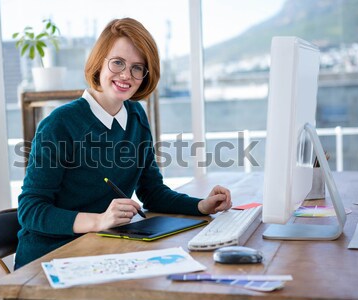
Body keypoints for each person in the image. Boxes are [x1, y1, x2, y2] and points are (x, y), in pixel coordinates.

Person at [15, 18, 232, 269]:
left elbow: (153, 192)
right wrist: (99, 221)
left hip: (102, 249)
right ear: (99, 63)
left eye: (137, 68)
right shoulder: (60, 124)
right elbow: (31, 211)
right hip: (49, 258)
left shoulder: (136, 116)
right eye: (117, 62)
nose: (126, 75)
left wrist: (200, 205)